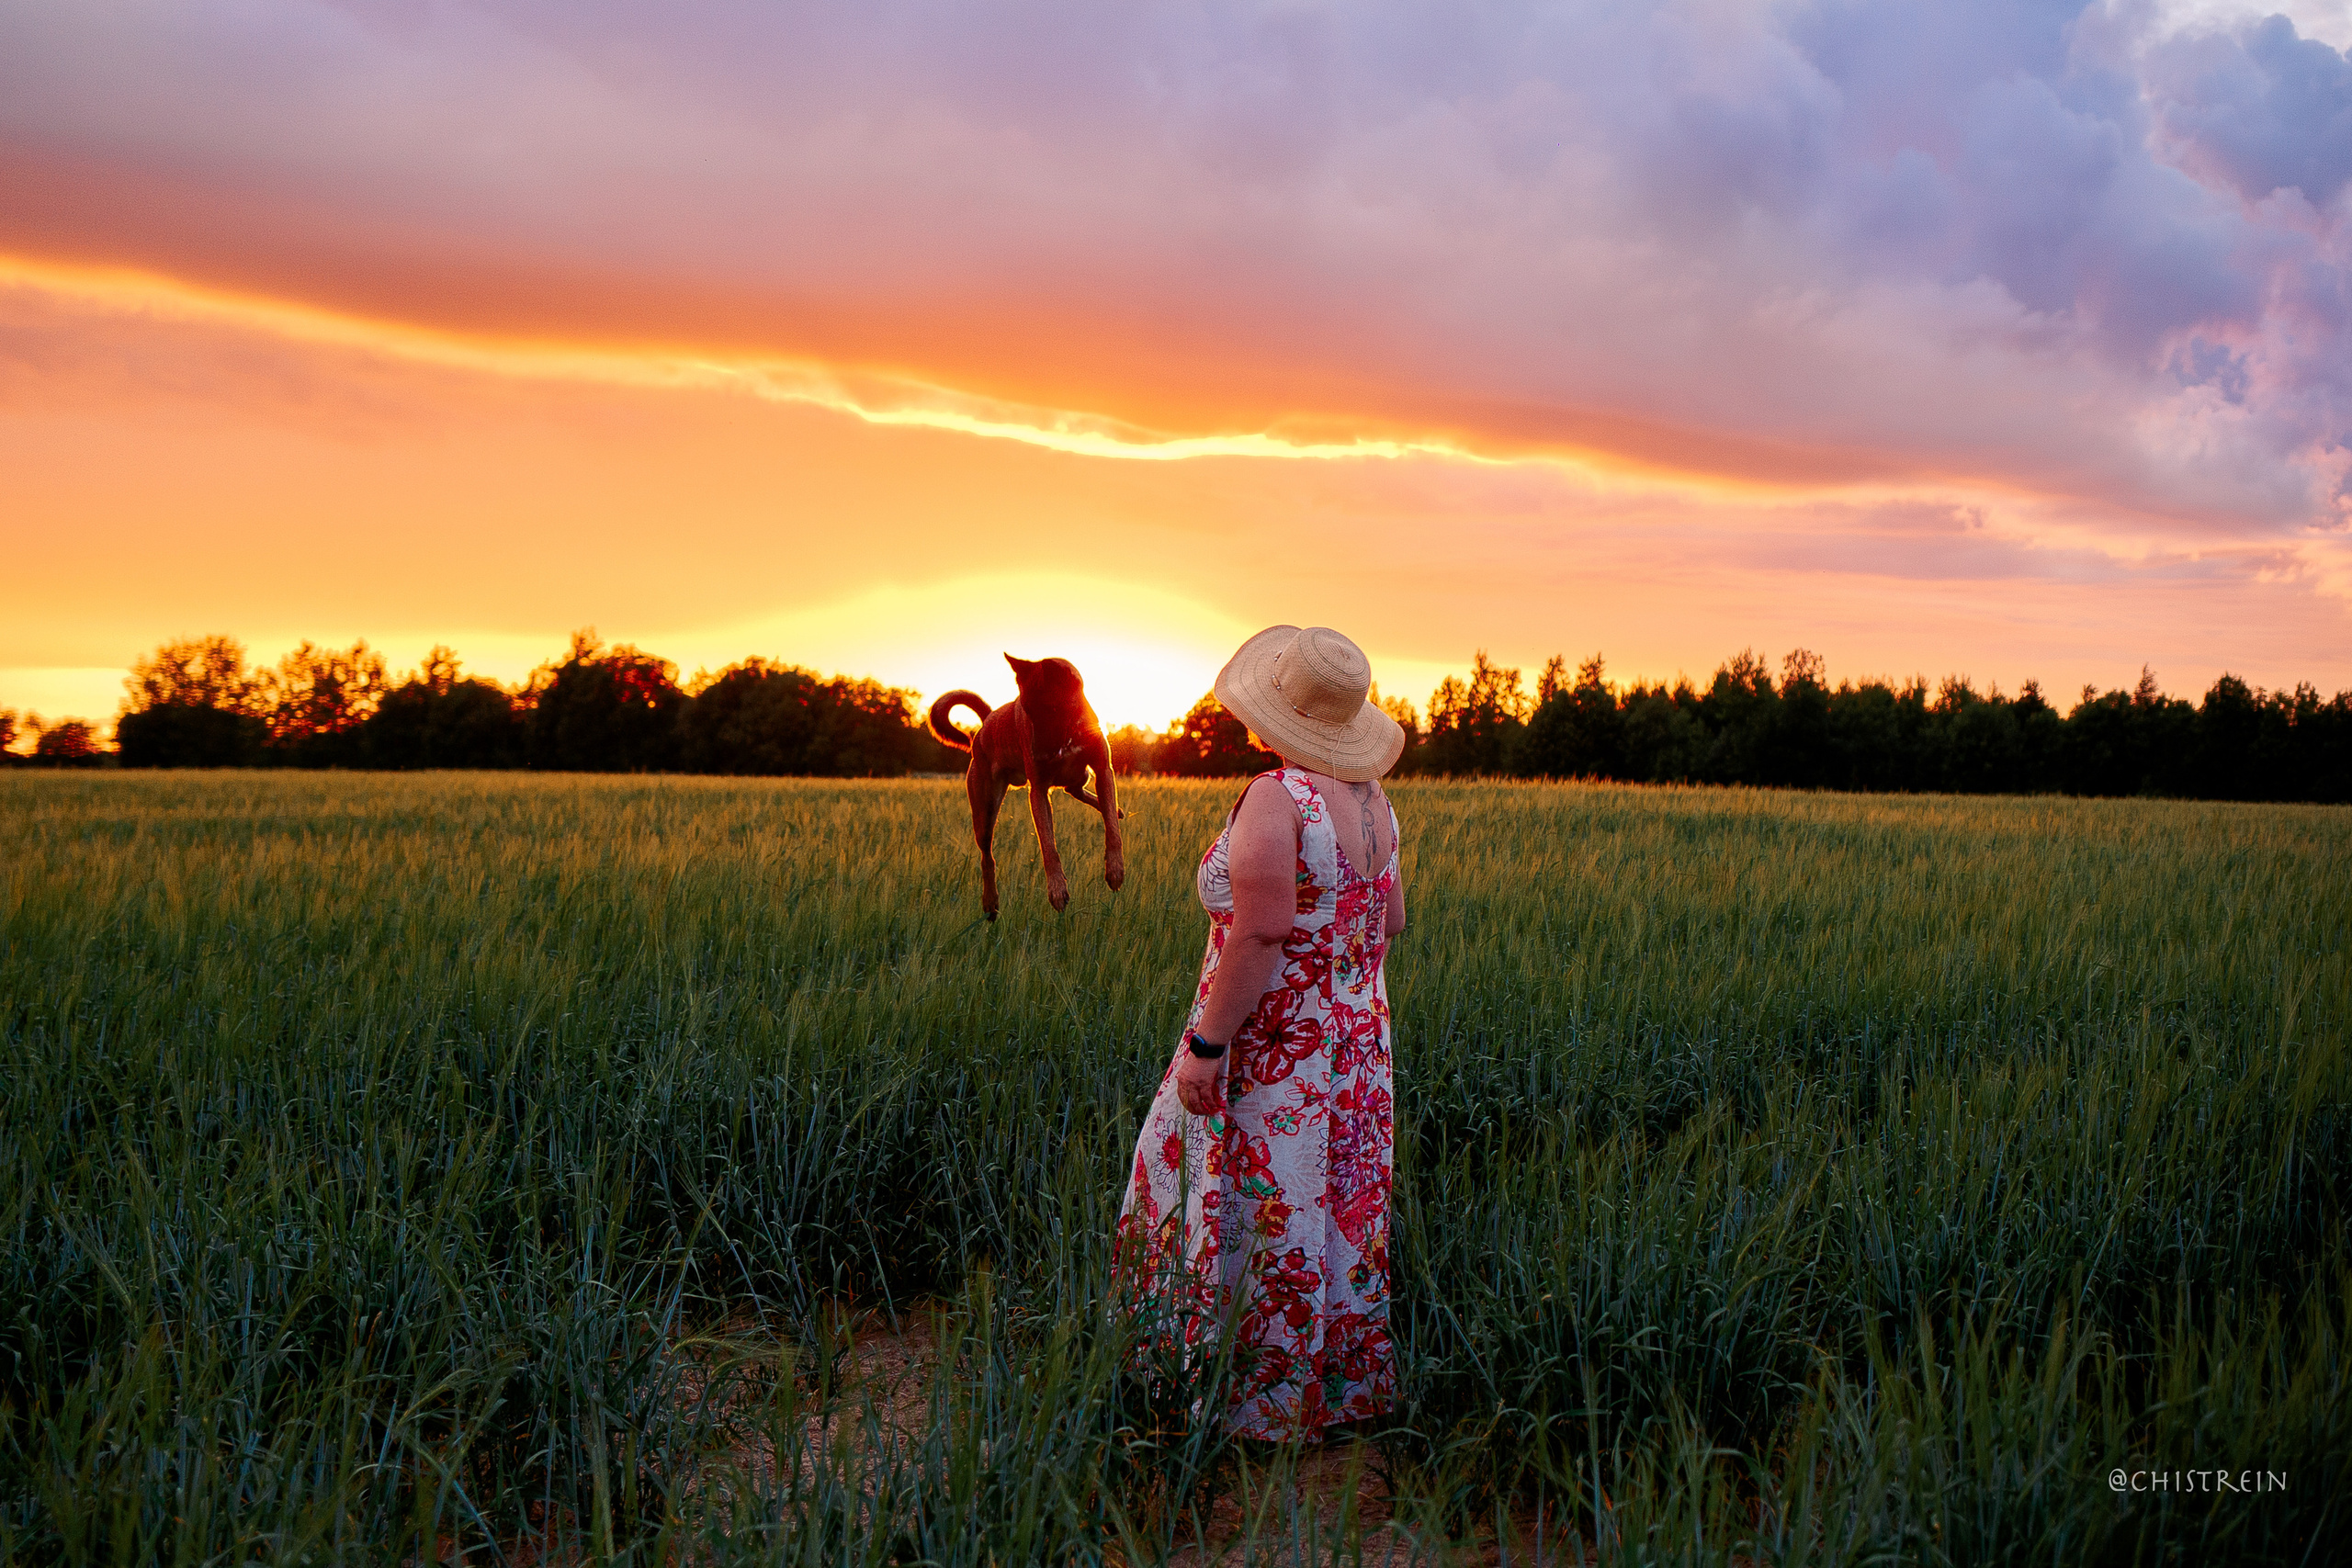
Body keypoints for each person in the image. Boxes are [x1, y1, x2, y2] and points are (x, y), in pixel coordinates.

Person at [1115, 624, 1408, 1440]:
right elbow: (1391, 919)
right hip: (1355, 1048)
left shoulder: (1278, 796)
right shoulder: (1376, 802)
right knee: (1333, 1206)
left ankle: (1247, 1401)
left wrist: (1209, 1044)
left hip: (1274, 1045)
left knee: (1248, 1201)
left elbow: (1261, 930)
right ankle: (1337, 1391)